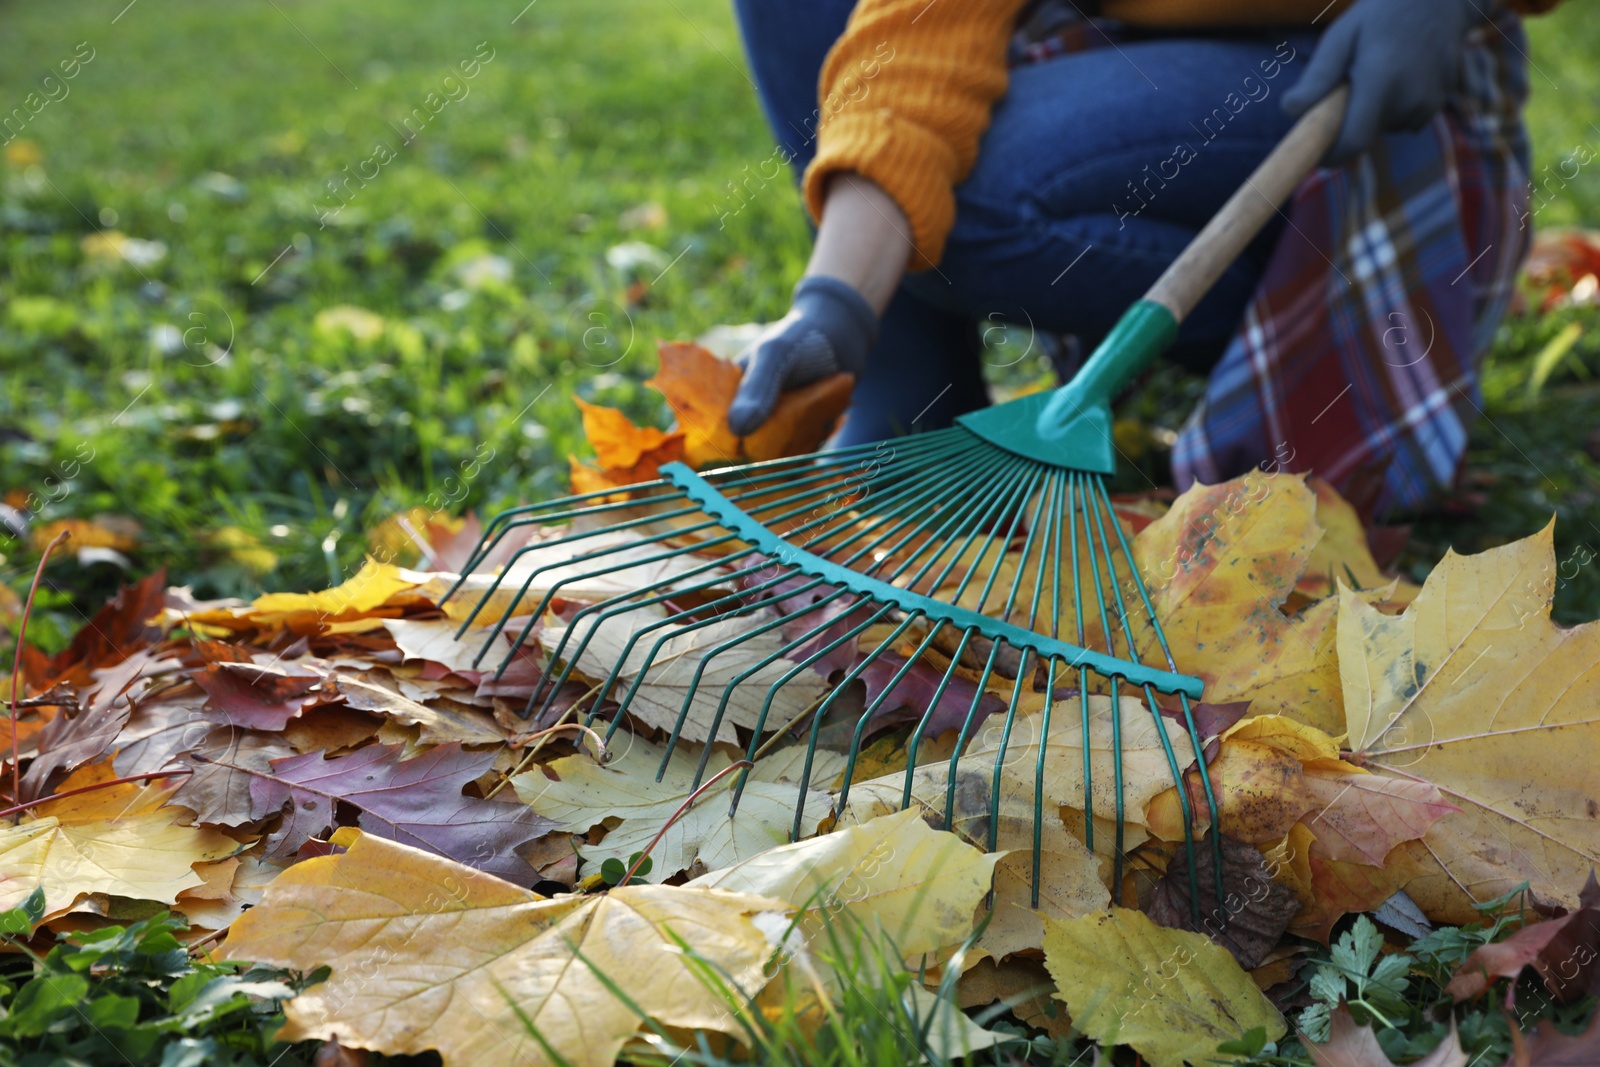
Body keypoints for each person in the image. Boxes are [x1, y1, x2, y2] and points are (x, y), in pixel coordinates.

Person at [726, 0, 1555, 516]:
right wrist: (835, 301)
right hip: (1101, 37)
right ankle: (906, 392)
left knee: (981, 199)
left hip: (1377, 50)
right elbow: (916, 36)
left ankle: (1307, 319)